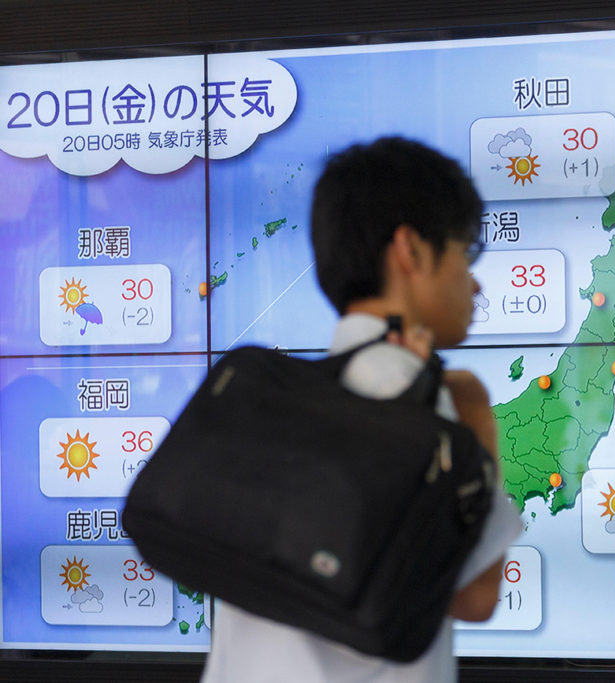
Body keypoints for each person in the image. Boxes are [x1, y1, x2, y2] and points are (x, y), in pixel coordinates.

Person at [201, 137, 523, 682]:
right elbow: (476, 596)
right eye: (463, 254)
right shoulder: (422, 402)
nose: (474, 282)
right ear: (411, 253)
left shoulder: (279, 402)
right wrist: (477, 417)